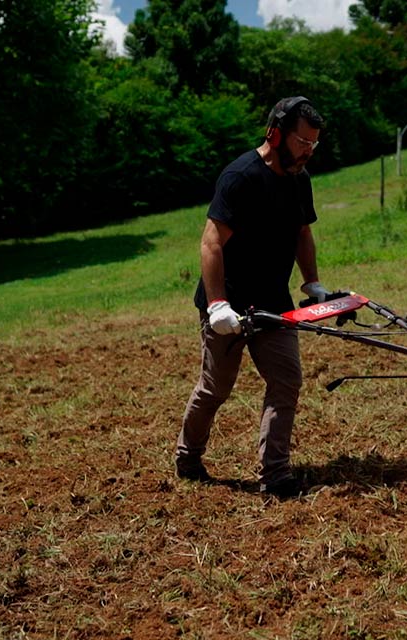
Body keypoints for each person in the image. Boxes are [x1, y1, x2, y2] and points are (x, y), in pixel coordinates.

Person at [175, 96, 331, 499]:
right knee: (216, 388)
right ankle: (187, 456)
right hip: (229, 302)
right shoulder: (241, 177)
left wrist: (312, 282)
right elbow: (211, 243)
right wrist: (216, 305)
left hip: (274, 302)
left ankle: (275, 473)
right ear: (275, 134)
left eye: (314, 144)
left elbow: (302, 232)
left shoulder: (299, 178)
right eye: (301, 142)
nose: (307, 152)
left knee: (286, 381)